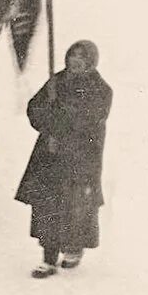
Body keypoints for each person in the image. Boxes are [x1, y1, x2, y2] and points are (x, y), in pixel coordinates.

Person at [18, 39, 111, 278]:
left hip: (80, 158)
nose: (76, 60)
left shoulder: (100, 89)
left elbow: (88, 120)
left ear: (91, 61)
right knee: (48, 203)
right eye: (73, 55)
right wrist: (48, 120)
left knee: (75, 205)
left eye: (82, 57)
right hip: (51, 154)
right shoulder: (56, 82)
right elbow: (34, 108)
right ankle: (48, 257)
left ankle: (74, 247)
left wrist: (61, 119)